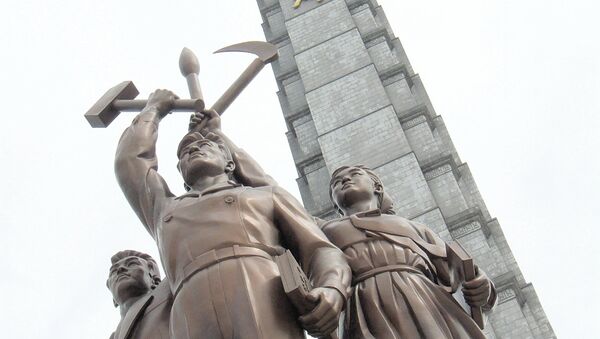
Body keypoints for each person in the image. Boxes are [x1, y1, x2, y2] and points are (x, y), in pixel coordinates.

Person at [115, 89, 351, 339]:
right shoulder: (163, 209)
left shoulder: (266, 196)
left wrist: (332, 288)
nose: (193, 150)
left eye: (205, 145)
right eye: (184, 154)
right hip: (191, 310)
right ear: (182, 175)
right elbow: (129, 163)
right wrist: (153, 109)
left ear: (229, 163)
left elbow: (319, 249)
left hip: (261, 293)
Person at [320, 165, 497, 339]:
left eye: (355, 174)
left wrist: (482, 288)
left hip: (425, 300)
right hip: (363, 308)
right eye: (335, 183)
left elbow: (456, 272)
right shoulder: (324, 232)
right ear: (335, 206)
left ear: (377, 187)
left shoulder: (416, 229)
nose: (344, 179)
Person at [107, 250, 172, 339]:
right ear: (114, 299)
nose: (120, 269)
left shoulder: (170, 294)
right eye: (113, 272)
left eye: (132, 264)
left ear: (152, 276)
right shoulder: (115, 336)